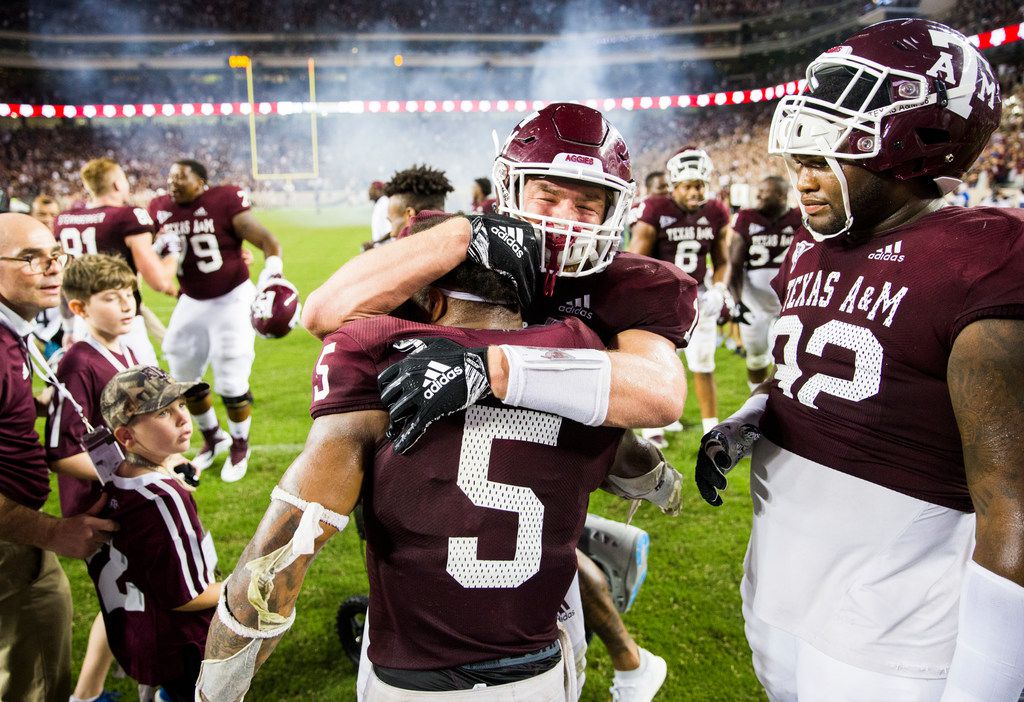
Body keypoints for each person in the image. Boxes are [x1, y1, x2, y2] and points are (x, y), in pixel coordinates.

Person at [300, 104, 697, 699]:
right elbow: (322, 312)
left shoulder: (630, 284)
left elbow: (660, 392)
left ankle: (629, 657)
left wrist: (491, 367)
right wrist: (458, 234)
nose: (565, 220)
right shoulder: (453, 242)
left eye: (586, 204)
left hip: (558, 462)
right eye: (547, 196)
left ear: (616, 211)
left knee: (546, 567)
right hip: (443, 468)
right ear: (510, 189)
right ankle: (629, 655)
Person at [695, 19, 1024, 700]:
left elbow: (1013, 502)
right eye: (798, 160)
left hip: (896, 630)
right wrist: (752, 417)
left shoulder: (982, 258)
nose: (802, 180)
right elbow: (822, 378)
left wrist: (985, 684)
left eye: (823, 158)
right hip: (781, 587)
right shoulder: (812, 247)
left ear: (911, 147)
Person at [198, 240, 679, 701]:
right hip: (538, 669)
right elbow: (632, 461)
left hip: (411, 678)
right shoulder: (580, 356)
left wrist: (216, 692)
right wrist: (666, 490)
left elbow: (276, 562)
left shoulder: (381, 352)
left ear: (428, 296)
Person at [0, 212, 118, 702]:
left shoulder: (14, 330)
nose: (51, 268)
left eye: (54, 254)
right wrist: (50, 531)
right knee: (34, 672)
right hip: (10, 537)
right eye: (30, 259)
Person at [43, 254, 143, 702]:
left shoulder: (125, 347)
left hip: (130, 494)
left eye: (128, 294)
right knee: (127, 601)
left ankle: (105, 683)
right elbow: (61, 452)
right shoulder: (77, 363)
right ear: (79, 308)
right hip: (100, 506)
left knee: (133, 600)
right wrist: (134, 469)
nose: (126, 304)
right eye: (110, 297)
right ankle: (87, 695)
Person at [148, 159, 283, 482]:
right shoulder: (159, 207)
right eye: (170, 176)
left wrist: (273, 272)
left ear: (201, 182)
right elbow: (153, 253)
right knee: (183, 375)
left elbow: (267, 239)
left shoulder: (223, 200)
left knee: (232, 379)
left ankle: (240, 444)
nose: (173, 182)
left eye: (181, 177)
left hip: (232, 296)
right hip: (192, 299)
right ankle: (213, 437)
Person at [92, 366, 220, 702]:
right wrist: (237, 588)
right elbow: (187, 596)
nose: (182, 418)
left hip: (141, 628)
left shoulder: (118, 479)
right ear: (126, 437)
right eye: (163, 412)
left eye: (180, 404)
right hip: (180, 646)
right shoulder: (163, 496)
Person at [628, 147, 735, 442]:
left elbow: (723, 260)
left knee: (704, 363)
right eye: (688, 186)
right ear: (675, 186)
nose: (694, 192)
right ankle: (652, 427)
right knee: (658, 362)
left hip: (698, 293)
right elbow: (637, 259)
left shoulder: (715, 211)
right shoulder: (655, 209)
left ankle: (711, 428)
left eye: (699, 185)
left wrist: (720, 289)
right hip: (662, 296)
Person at [54, 157, 178, 366]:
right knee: (147, 391)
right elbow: (160, 282)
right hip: (120, 321)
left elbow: (64, 281)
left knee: (95, 391)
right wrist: (174, 251)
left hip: (81, 320)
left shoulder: (64, 219)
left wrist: (68, 328)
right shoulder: (127, 216)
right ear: (117, 184)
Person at [726, 175, 801, 388]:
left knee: (788, 361)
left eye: (764, 191)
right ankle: (755, 406)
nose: (757, 194)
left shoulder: (798, 219)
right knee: (756, 356)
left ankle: (781, 407)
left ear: (781, 195)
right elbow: (735, 264)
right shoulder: (747, 218)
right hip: (753, 302)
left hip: (789, 303)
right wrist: (737, 301)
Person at [368, 179, 391, 246]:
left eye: (373, 188)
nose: (369, 191)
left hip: (387, 247)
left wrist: (374, 242)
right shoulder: (379, 204)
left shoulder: (384, 202)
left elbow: (390, 231)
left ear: (380, 190)